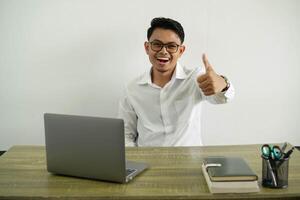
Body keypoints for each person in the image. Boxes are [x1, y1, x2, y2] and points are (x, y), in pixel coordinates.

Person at [118, 17, 234, 147]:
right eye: (157, 44)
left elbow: (221, 98)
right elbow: (125, 135)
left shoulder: (195, 78)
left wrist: (223, 84)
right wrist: (136, 161)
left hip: (190, 162)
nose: (163, 51)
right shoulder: (132, 89)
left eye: (171, 46)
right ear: (147, 47)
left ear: (181, 51)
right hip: (148, 162)